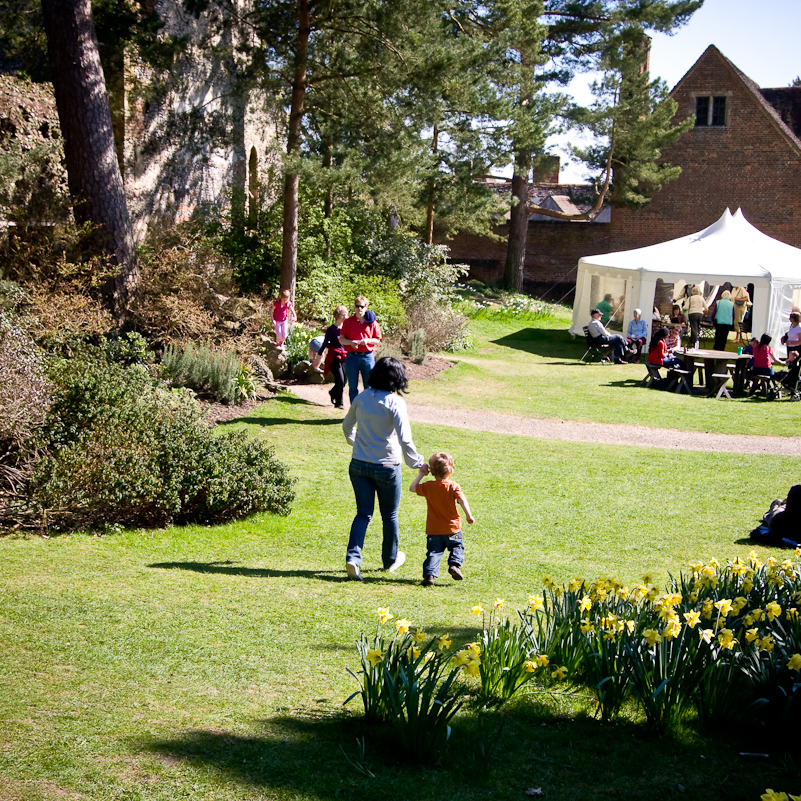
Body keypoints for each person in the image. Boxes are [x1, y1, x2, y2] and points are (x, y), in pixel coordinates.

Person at [342, 357, 425, 580]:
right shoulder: (395, 402)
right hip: (387, 465)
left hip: (358, 464)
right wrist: (417, 463)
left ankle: (353, 558)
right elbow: (405, 439)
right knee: (389, 515)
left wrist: (356, 443)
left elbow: (347, 426)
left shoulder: (361, 397)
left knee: (363, 514)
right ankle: (390, 560)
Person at [410, 452, 474, 586]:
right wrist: (469, 515)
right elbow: (462, 500)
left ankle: (429, 575)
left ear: (431, 472)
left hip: (434, 529)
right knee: (457, 546)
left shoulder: (428, 486)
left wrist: (421, 473)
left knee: (434, 552)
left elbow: (412, 488)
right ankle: (454, 565)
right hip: (453, 528)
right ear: (450, 470)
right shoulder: (453, 486)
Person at [339, 295, 382, 404]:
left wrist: (367, 341)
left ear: (366, 307)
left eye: (362, 306)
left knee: (369, 386)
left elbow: (377, 339)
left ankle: (368, 411)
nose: (360, 309)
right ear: (354, 307)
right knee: (353, 386)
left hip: (367, 356)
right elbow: (341, 339)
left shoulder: (372, 322)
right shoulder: (348, 322)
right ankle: (355, 411)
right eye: (357, 306)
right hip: (352, 357)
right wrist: (350, 342)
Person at [319, 305, 348, 408]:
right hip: (334, 357)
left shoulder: (346, 328)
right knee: (339, 380)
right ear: (338, 316)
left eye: (346, 314)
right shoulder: (331, 329)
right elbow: (325, 342)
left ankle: (332, 392)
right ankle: (339, 403)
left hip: (344, 356)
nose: (346, 317)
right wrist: (319, 354)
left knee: (344, 381)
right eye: (344, 315)